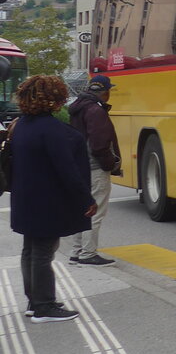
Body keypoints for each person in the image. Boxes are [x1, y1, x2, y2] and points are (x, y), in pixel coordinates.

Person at [9, 75, 97, 323]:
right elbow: (67, 170)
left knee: (30, 250)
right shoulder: (52, 130)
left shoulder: (21, 125)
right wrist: (85, 199)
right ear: (55, 100)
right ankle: (44, 306)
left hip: (25, 198)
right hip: (47, 200)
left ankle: (34, 300)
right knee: (43, 253)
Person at [67, 74, 122, 267]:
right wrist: (110, 163)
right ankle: (88, 253)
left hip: (81, 166)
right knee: (95, 212)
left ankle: (76, 252)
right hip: (95, 168)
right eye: (109, 91)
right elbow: (99, 145)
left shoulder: (79, 108)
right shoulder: (96, 111)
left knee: (84, 209)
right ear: (105, 92)